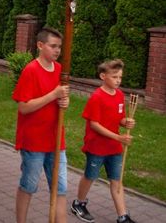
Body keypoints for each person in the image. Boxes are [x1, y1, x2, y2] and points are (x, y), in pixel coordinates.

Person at [13, 27, 70, 223]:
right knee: (29, 185)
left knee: (60, 187)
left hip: (56, 139)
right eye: (53, 46)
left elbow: (61, 99)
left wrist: (64, 101)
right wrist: (53, 95)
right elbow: (24, 107)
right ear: (40, 45)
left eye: (59, 47)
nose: (57, 51)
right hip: (34, 140)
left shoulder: (61, 70)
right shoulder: (31, 70)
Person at [71, 59, 137, 223]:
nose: (118, 80)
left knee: (116, 179)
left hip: (113, 147)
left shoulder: (120, 95)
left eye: (120, 77)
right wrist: (119, 137)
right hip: (97, 146)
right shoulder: (97, 97)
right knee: (90, 176)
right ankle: (78, 203)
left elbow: (118, 118)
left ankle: (122, 216)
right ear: (103, 76)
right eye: (114, 77)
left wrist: (125, 122)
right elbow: (94, 125)